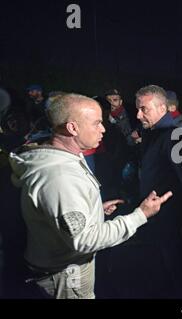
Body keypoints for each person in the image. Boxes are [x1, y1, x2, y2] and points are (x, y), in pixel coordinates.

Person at [8, 93, 172, 299]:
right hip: (66, 279)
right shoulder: (59, 177)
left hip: (63, 269)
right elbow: (84, 240)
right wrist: (141, 215)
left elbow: (63, 213)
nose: (103, 129)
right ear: (72, 128)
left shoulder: (65, 156)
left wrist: (93, 210)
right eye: (96, 123)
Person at [133, 85, 182, 298]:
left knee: (176, 271)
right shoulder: (153, 133)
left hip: (171, 219)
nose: (138, 114)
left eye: (144, 109)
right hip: (155, 217)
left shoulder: (177, 135)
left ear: (162, 107)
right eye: (138, 109)